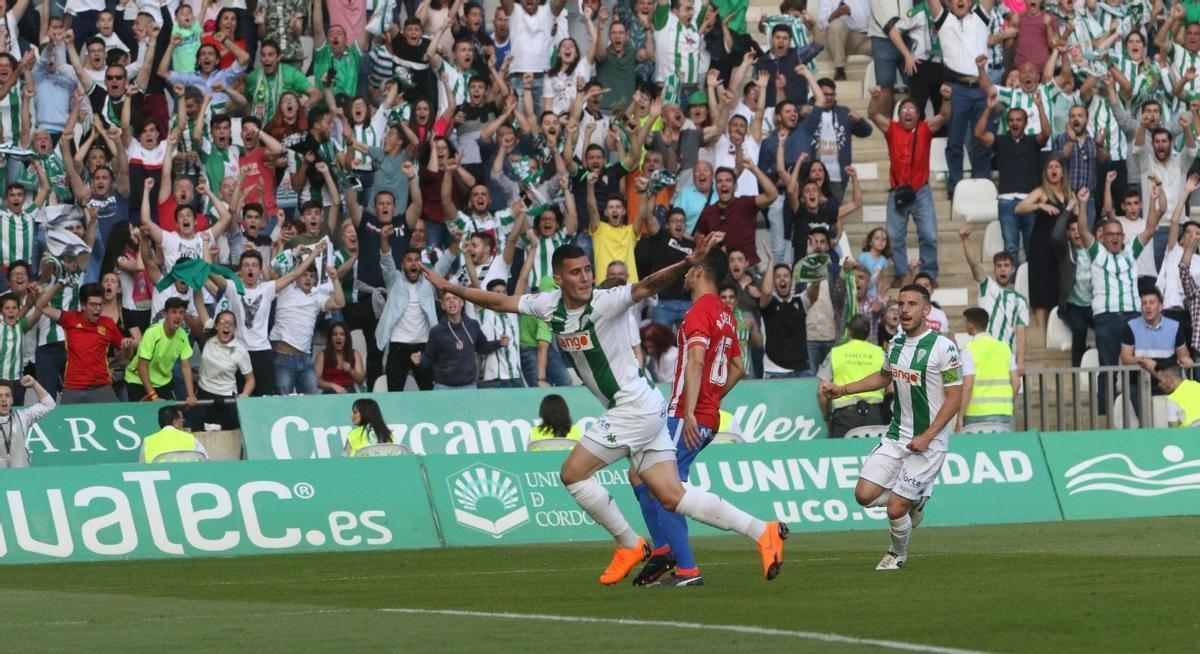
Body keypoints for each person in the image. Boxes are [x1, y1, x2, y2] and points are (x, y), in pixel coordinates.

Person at [423, 233, 789, 585]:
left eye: (587, 270)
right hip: (647, 408)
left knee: (572, 473)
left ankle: (630, 544)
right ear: (558, 278)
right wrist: (451, 288)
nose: (585, 278)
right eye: (576, 272)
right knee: (672, 495)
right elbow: (499, 302)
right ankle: (763, 531)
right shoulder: (546, 305)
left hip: (632, 408)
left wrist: (686, 263)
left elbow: (648, 285)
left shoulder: (607, 301)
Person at [821, 283, 963, 570]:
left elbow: (955, 398)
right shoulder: (896, 342)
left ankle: (897, 554)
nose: (904, 309)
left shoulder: (944, 348)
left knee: (895, 507)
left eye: (912, 304)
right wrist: (844, 389)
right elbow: (884, 377)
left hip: (929, 443)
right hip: (897, 436)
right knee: (863, 495)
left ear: (926, 310)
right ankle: (915, 500)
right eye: (901, 303)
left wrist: (927, 435)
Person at [629, 249, 747, 588]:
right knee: (638, 474)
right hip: (700, 412)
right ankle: (666, 550)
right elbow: (738, 367)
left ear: (698, 272)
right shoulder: (725, 314)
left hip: (686, 414)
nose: (682, 272)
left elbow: (695, 362)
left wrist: (694, 409)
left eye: (687, 267)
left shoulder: (698, 312)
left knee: (664, 487)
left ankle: (686, 568)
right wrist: (712, 398)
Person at [867, 84, 951, 283]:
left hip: (921, 191)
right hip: (897, 192)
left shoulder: (925, 128)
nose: (907, 113)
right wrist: (874, 98)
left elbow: (944, 116)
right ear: (899, 115)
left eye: (911, 111)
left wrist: (946, 99)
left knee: (929, 235)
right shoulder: (892, 128)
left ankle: (929, 275)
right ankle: (901, 274)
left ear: (918, 115)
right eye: (903, 110)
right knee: (894, 238)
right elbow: (872, 114)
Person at [35, 281, 134, 403]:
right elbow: (41, 306)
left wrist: (127, 346)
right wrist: (58, 285)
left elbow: (124, 354)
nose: (98, 309)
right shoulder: (70, 319)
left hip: (102, 388)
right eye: (93, 304)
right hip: (73, 389)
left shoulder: (108, 323)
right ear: (83, 305)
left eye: (100, 304)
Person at [959, 226, 1027, 376]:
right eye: (999, 266)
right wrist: (965, 240)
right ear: (995, 269)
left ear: (1013, 270)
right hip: (985, 355)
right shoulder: (987, 287)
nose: (1003, 269)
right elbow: (974, 265)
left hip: (1007, 358)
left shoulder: (1020, 300)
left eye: (1006, 266)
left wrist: (1020, 361)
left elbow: (1021, 332)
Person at [413, 291, 502, 390]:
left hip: (469, 386)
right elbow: (429, 358)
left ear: (462, 303)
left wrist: (499, 343)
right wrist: (419, 362)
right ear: (442, 305)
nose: (451, 301)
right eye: (447, 299)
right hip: (443, 387)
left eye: (455, 298)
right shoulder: (436, 331)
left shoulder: (473, 325)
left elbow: (482, 347)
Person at [817, 314, 886, 437]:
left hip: (845, 415)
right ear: (868, 333)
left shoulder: (836, 353)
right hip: (875, 415)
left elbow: (821, 392)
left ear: (849, 331)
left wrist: (826, 417)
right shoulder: (880, 353)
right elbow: (892, 390)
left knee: (842, 455)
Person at [192, 309, 255, 430]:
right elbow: (199, 304)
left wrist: (245, 394)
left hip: (226, 397)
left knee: (229, 433)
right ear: (216, 326)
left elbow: (250, 379)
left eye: (231, 323)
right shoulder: (207, 338)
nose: (227, 326)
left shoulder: (240, 351)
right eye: (223, 322)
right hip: (203, 393)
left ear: (235, 328)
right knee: (199, 431)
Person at [127, 297, 197, 403]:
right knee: (148, 415)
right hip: (138, 381)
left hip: (163, 382)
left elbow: (186, 367)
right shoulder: (152, 333)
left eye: (181, 313)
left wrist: (191, 396)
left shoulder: (183, 335)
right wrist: (153, 396)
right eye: (174, 312)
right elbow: (141, 367)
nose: (177, 316)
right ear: (165, 314)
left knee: (174, 417)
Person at [958, 307, 1017, 429]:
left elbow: (968, 385)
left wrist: (960, 415)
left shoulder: (969, 350)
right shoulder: (1005, 348)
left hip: (976, 413)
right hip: (1003, 412)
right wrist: (1006, 403)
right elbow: (1016, 383)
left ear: (970, 324)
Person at [0, 376, 56, 469]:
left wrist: (34, 384)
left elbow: (49, 405)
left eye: (7, 395)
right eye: (0, 396)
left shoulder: (23, 417)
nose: (3, 399)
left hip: (22, 478)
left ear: (12, 400)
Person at [140, 405, 209, 464]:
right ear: (175, 422)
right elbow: (206, 461)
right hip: (190, 477)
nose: (183, 424)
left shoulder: (148, 441)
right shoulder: (190, 438)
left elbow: (143, 468)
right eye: (182, 421)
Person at [317, 322, 366, 394]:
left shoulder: (355, 353)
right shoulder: (323, 354)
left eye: (342, 334)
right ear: (330, 338)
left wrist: (351, 370)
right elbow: (316, 381)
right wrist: (333, 386)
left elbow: (361, 380)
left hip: (349, 391)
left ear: (346, 338)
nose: (338, 337)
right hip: (330, 392)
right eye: (334, 334)